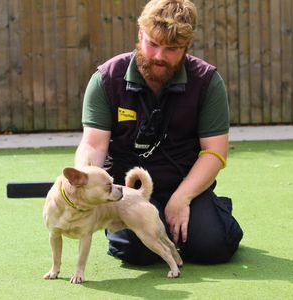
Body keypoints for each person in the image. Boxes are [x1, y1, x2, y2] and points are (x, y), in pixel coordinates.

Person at [75, 0, 243, 265]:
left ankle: (213, 210)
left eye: (172, 49)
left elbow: (214, 152)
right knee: (136, 253)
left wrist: (182, 197)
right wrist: (85, 179)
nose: (159, 56)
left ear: (186, 47)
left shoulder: (207, 81)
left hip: (184, 184)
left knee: (214, 246)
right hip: (127, 192)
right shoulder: (106, 79)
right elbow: (94, 145)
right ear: (139, 35)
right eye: (152, 43)